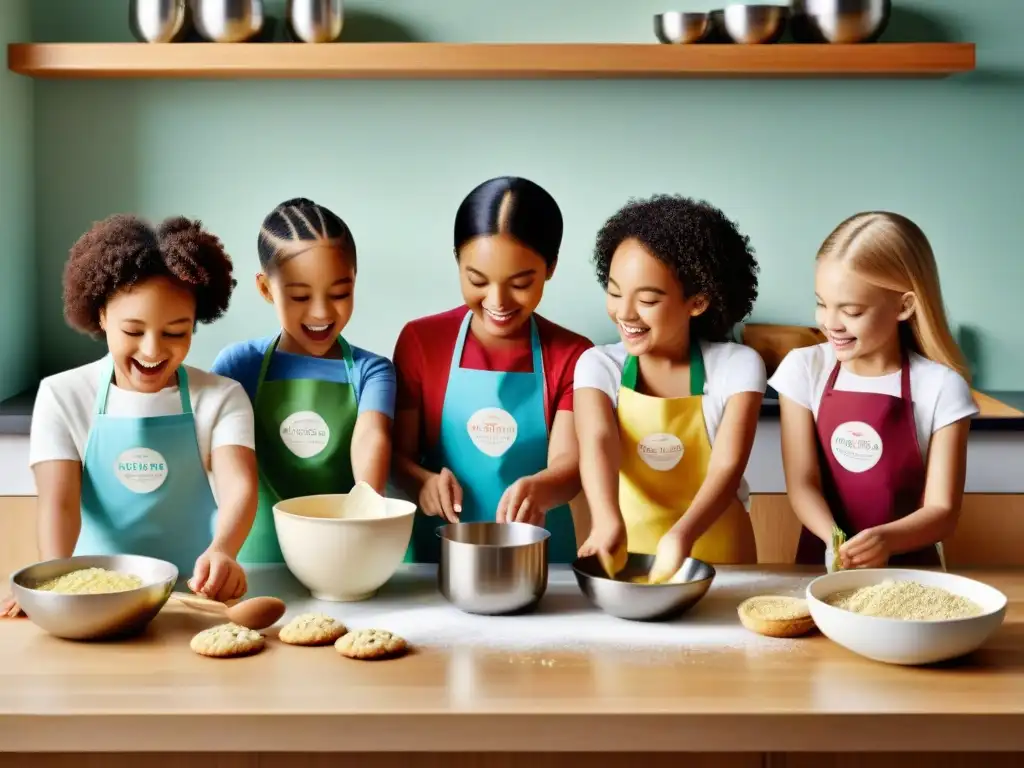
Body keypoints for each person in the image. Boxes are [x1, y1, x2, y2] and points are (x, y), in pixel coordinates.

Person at [2, 214, 257, 618]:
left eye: (175, 332)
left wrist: (223, 551)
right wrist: (51, 581)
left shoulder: (222, 397)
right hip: (89, 598)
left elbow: (239, 486)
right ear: (102, 316)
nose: (153, 351)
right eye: (133, 332)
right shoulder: (63, 395)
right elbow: (59, 503)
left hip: (193, 599)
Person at [392, 176, 593, 563]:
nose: (497, 301)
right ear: (457, 261)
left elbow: (570, 464)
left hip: (540, 558)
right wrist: (424, 483)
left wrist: (542, 488)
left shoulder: (573, 354)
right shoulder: (421, 341)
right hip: (439, 557)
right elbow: (398, 457)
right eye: (477, 281)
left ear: (550, 266)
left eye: (520, 283)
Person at [769, 212, 978, 570]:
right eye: (821, 303)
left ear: (904, 306)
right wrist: (835, 542)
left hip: (913, 578)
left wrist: (887, 540)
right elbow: (803, 482)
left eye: (851, 310)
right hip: (820, 567)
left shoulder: (942, 387)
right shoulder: (803, 370)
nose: (830, 323)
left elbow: (943, 513)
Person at [574, 194, 765, 582]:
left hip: (724, 563)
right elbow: (598, 443)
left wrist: (683, 534)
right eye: (614, 292)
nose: (625, 313)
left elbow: (727, 467)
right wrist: (606, 520)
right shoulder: (599, 365)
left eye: (647, 299)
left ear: (696, 302)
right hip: (625, 557)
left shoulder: (736, 367)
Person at [212, 198, 395, 564]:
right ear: (265, 289)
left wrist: (365, 503)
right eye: (299, 296)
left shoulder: (372, 371)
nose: (321, 312)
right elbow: (220, 462)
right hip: (254, 559)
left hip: (341, 556)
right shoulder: (239, 365)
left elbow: (372, 435)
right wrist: (221, 551)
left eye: (340, 293)